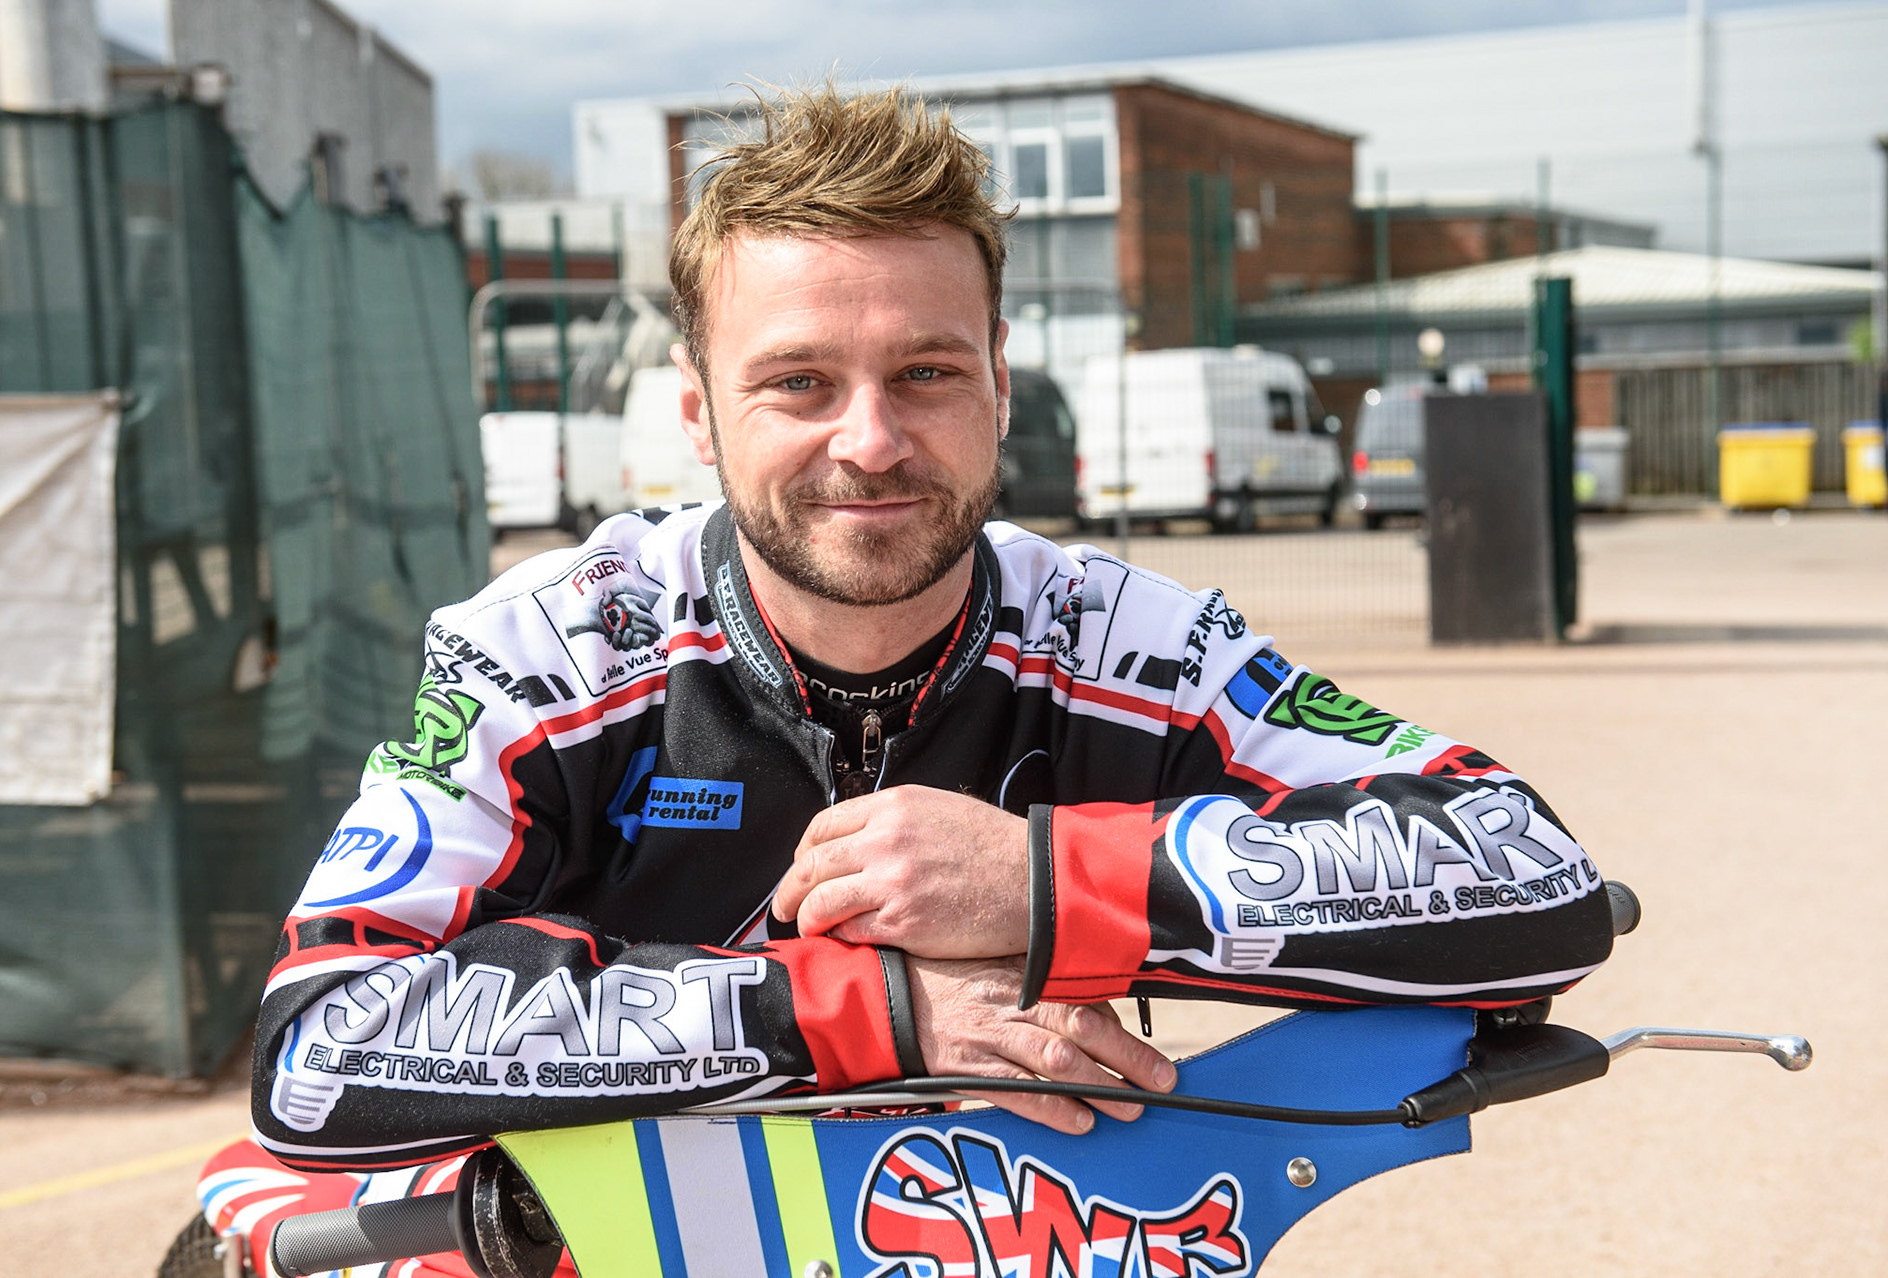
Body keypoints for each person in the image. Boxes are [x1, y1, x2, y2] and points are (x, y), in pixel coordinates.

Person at [197, 84, 1613, 1271]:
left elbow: (1531, 876)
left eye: (926, 372)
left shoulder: (1133, 642)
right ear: (697, 408)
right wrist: (858, 1013)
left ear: (1000, 376)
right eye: (799, 381)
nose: (869, 441)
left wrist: (1052, 884)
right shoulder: (555, 650)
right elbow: (318, 1046)